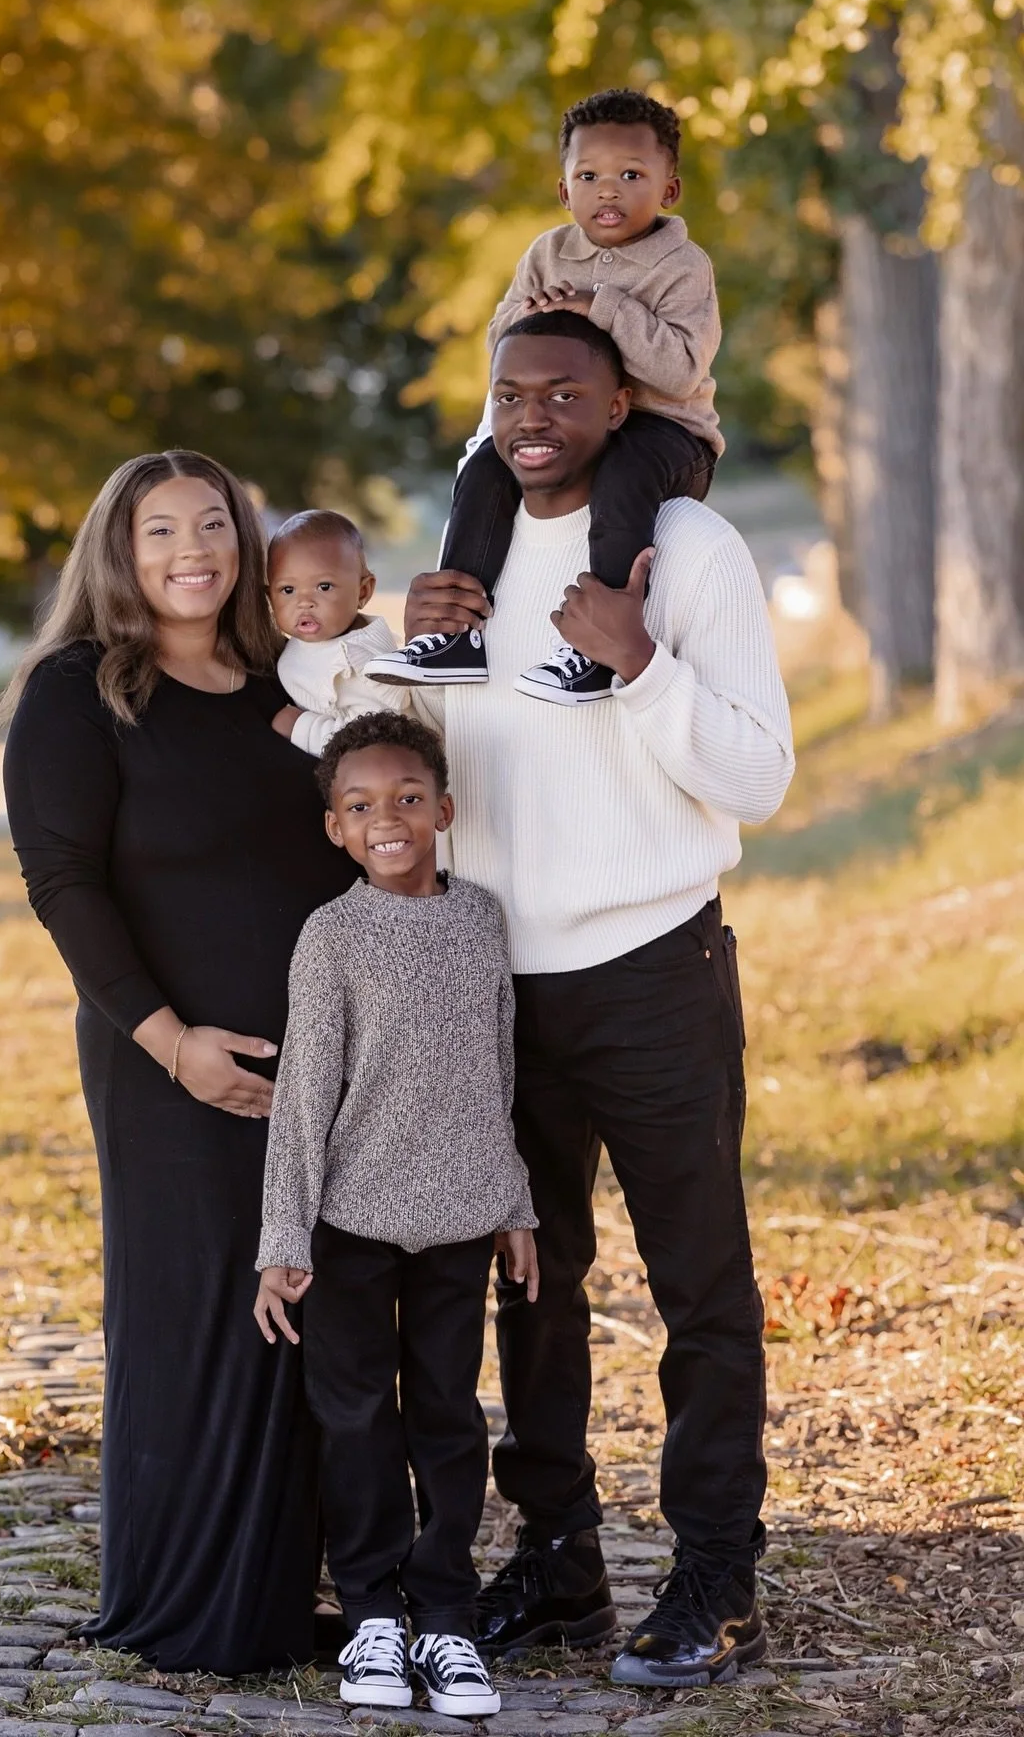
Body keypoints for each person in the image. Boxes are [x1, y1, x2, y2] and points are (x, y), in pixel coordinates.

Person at [401, 310, 794, 1688]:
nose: (534, 416)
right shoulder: (471, 557)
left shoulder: (688, 552)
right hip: (498, 979)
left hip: (653, 970)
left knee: (701, 1289)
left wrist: (639, 665)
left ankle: (715, 1582)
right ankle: (559, 1562)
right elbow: (417, 765)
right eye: (510, 393)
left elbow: (755, 776)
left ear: (625, 405)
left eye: (566, 393)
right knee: (529, 1286)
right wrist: (407, 651)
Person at [0, 449, 359, 1675]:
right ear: (120, 551)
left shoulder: (286, 682)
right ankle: (188, 1606)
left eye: (215, 524)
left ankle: (278, 1597)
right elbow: (65, 885)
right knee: (198, 1315)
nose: (191, 550)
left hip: (321, 1067)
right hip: (173, 1066)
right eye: (161, 532)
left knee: (309, 1317)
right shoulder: (77, 693)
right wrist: (171, 1045)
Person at [253, 710, 538, 1717]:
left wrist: (514, 1199)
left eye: (410, 801)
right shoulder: (331, 936)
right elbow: (303, 1092)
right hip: (350, 1224)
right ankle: (374, 1612)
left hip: (460, 1220)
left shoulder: (481, 921)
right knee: (357, 1416)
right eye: (363, 806)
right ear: (335, 827)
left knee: (452, 1419)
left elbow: (497, 1071)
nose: (389, 820)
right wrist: (284, 1239)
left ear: (445, 811)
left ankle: (448, 1621)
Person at [367, 87, 721, 705]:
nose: (607, 190)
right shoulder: (547, 253)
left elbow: (681, 370)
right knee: (484, 467)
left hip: (664, 431)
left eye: (630, 175)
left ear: (669, 190)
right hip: (567, 427)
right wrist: (527, 319)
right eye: (589, 176)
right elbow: (500, 340)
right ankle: (457, 634)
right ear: (565, 191)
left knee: (623, 474)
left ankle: (599, 645)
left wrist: (601, 308)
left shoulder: (683, 265)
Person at [266, 508, 411, 756]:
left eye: (324, 586)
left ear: (362, 592)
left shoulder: (360, 663)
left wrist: (302, 728)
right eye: (288, 590)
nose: (304, 602)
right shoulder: (304, 644)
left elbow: (380, 738)